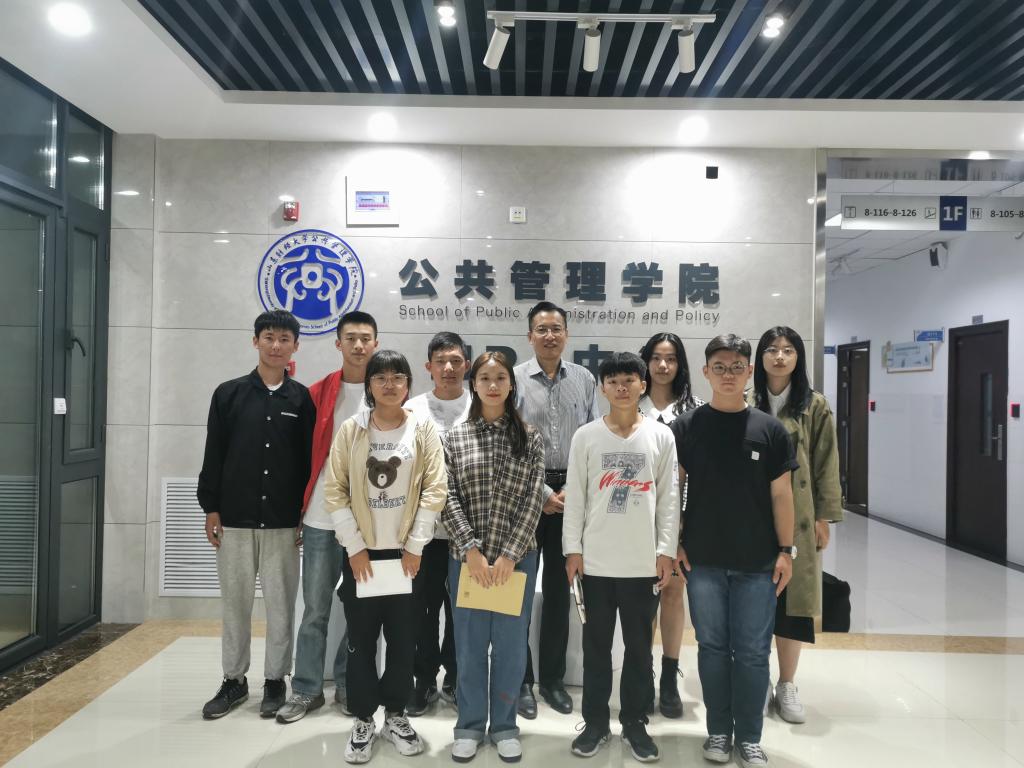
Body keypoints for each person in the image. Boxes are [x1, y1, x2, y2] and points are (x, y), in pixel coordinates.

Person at [671, 334, 797, 768]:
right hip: (702, 560)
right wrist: (675, 542)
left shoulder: (770, 430)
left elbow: (782, 496)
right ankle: (719, 732)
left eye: (737, 367)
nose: (729, 375)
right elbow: (674, 490)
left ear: (749, 372)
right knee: (711, 648)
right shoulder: (686, 427)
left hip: (758, 562)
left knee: (753, 652)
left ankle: (750, 737)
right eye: (720, 367)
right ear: (706, 372)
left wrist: (786, 551)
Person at [323, 350, 447, 764]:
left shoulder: (422, 428)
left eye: (398, 377)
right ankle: (363, 717)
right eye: (381, 377)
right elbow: (335, 490)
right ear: (369, 385)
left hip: (408, 557)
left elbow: (435, 488)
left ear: (409, 384)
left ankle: (395, 714)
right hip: (363, 556)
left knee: (403, 640)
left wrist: (415, 546)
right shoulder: (352, 429)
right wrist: (355, 548)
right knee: (360, 640)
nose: (389, 384)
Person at [197, 310, 315, 720]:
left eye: (284, 339)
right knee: (235, 605)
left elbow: (308, 462)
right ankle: (233, 680)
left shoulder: (302, 400)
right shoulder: (228, 394)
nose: (276, 345)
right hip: (234, 518)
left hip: (284, 521)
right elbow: (214, 454)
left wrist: (304, 511)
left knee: (281, 606)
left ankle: (275, 680)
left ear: (296, 346)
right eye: (269, 337)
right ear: (255, 341)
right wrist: (211, 506)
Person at [563, 352, 678, 762]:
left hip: (642, 563)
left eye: (629, 379)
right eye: (612, 381)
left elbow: (669, 499)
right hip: (595, 563)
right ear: (602, 388)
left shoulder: (661, 436)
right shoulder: (586, 436)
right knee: (596, 649)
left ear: (643, 384)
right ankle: (595, 723)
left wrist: (666, 551)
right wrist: (572, 550)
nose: (621, 387)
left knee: (638, 650)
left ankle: (634, 722)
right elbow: (576, 498)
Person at [442, 352, 545, 763]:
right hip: (466, 560)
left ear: (511, 384)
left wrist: (509, 555)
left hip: (515, 562)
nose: (493, 385)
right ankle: (468, 726)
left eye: (501, 377)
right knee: (468, 647)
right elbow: (446, 496)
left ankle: (504, 726)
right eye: (484, 378)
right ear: (474, 384)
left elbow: (534, 500)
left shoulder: (530, 437)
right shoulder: (455, 437)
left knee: (510, 647)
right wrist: (470, 549)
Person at [277, 311, 378, 724]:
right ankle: (306, 689)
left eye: (365, 338)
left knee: (361, 611)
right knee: (315, 609)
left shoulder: (387, 392)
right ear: (338, 344)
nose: (358, 345)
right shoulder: (318, 393)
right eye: (350, 338)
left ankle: (351, 684)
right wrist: (298, 511)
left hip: (370, 525)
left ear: (375, 344)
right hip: (321, 518)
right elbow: (298, 456)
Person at [750, 326, 842, 724]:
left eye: (788, 350)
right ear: (760, 358)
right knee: (755, 602)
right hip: (751, 517)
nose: (779, 357)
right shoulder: (746, 401)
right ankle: (757, 682)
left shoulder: (813, 405)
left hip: (800, 517)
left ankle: (786, 684)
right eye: (772, 349)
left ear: (798, 358)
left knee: (792, 605)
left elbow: (826, 462)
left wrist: (824, 516)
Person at [513, 301, 601, 718]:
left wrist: (571, 492)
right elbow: (508, 443)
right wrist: (544, 492)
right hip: (525, 491)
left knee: (558, 592)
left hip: (573, 493)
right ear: (530, 336)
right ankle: (521, 680)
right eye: (542, 329)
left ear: (567, 334)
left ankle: (551, 679)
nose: (550, 335)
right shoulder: (513, 379)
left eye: (556, 328)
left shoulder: (584, 379)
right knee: (519, 592)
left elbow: (594, 438)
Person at [404, 332, 472, 715]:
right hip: (423, 533)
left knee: (463, 611)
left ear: (466, 365)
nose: (449, 368)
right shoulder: (412, 409)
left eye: (456, 361)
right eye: (441, 361)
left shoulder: (481, 405)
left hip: (468, 532)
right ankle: (424, 679)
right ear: (428, 366)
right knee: (422, 610)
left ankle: (456, 676)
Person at [637, 332, 703, 719]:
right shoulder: (631, 405)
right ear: (646, 362)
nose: (663, 366)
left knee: (674, 593)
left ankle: (668, 678)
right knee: (643, 599)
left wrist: (683, 526)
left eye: (672, 358)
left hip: (684, 519)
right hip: (638, 519)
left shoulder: (695, 410)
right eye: (657, 358)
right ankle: (643, 674)